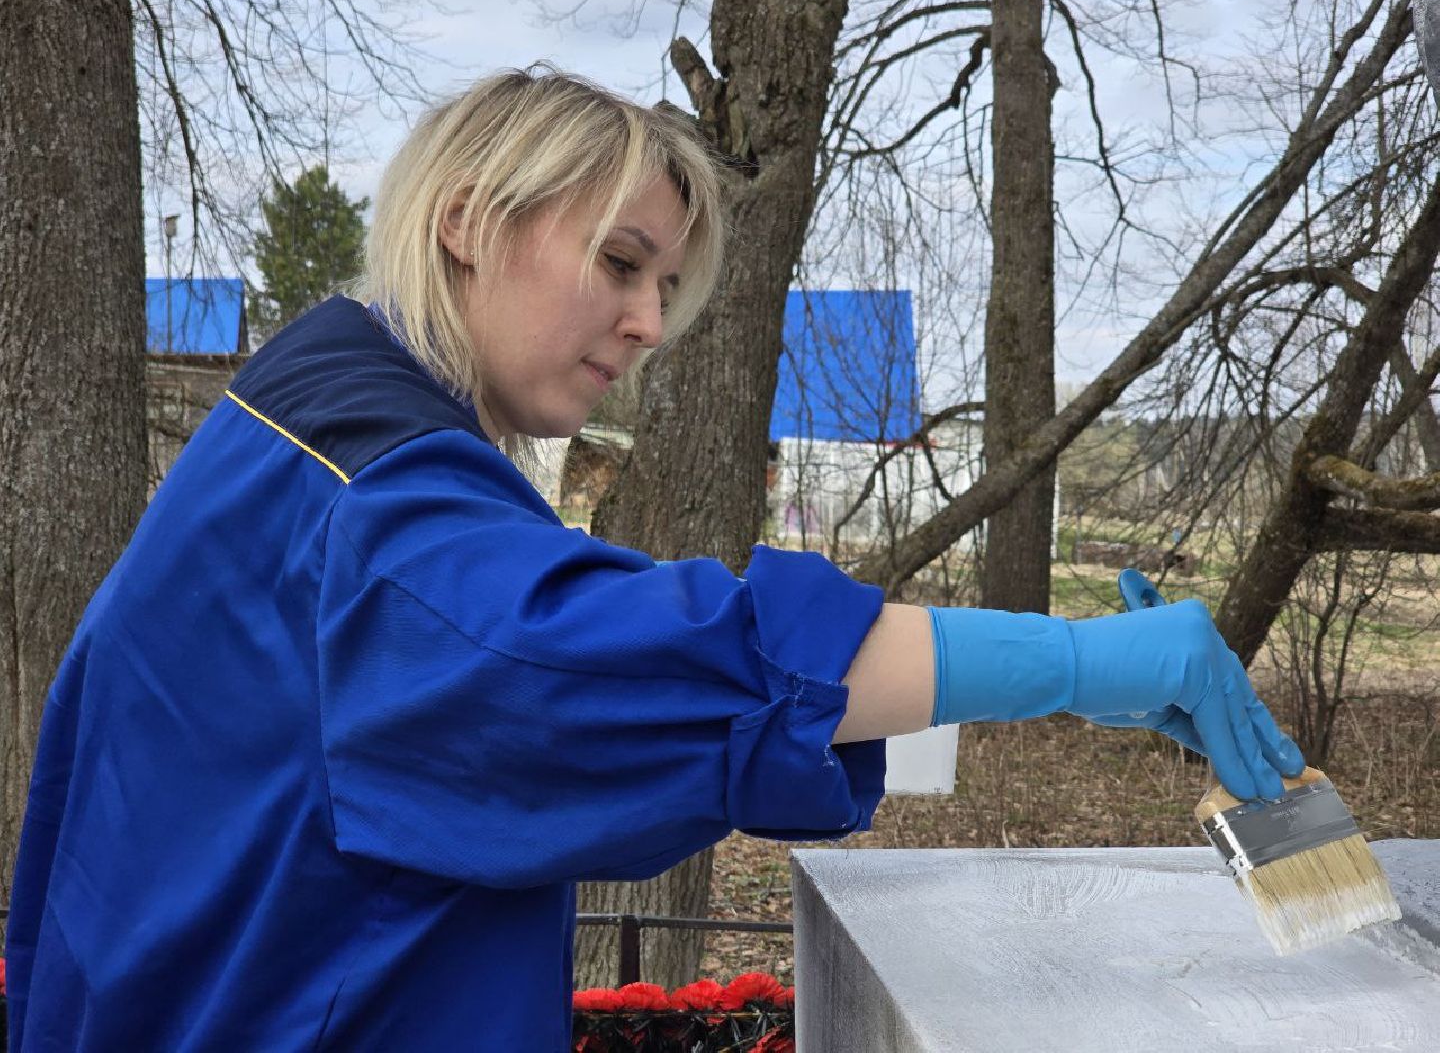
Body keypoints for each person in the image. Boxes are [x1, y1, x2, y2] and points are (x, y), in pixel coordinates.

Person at [4, 65, 1304, 1050]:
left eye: (664, 288)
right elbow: (656, 665)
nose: (646, 323)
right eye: (620, 264)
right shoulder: (375, 517)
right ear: (467, 221)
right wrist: (1080, 661)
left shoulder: (300, 418)